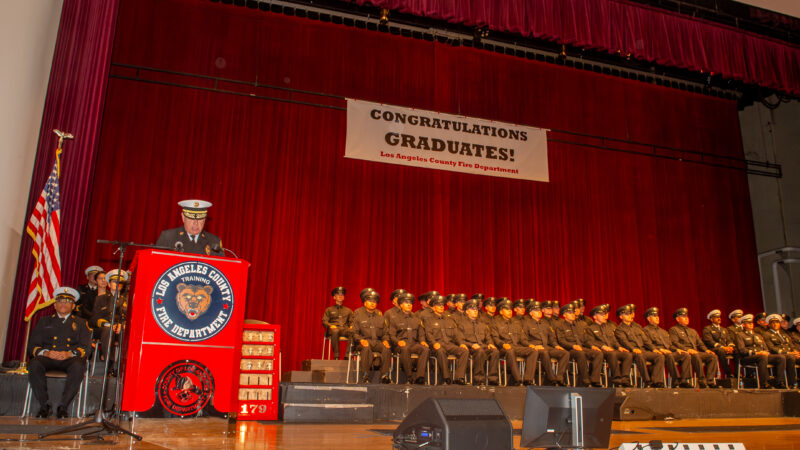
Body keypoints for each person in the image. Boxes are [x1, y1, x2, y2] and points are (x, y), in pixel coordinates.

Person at [27, 287, 91, 418]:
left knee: (79, 366)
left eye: (67, 302)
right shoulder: (44, 321)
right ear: (55, 305)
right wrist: (46, 353)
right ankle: (44, 405)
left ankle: (63, 406)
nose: (63, 304)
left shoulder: (81, 323)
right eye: (60, 301)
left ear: (73, 306)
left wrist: (69, 354)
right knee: (34, 364)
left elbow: (86, 348)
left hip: (69, 359)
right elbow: (32, 346)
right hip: (48, 357)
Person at [615, 305, 666, 388]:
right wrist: (633, 349)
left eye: (630, 313)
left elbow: (645, 341)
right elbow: (624, 342)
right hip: (632, 351)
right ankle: (647, 381)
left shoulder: (637, 327)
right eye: (627, 314)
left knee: (659, 356)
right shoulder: (619, 329)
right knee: (640, 356)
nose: (630, 315)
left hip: (643, 350)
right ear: (621, 317)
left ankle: (657, 381)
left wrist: (653, 349)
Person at [422, 295, 469, 384]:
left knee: (464, 351)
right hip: (437, 345)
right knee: (441, 351)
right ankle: (446, 377)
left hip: (449, 344)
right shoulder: (429, 320)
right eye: (438, 305)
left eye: (442, 305)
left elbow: (456, 334)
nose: (441, 307)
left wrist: (461, 343)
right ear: (433, 307)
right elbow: (428, 334)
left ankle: (459, 378)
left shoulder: (449, 319)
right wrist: (434, 343)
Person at [641, 307, 692, 388]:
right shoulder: (645, 330)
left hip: (668, 352)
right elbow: (647, 344)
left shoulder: (663, 331)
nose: (657, 317)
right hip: (657, 352)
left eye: (657, 315)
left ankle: (684, 380)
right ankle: (675, 380)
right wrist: (660, 349)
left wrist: (676, 349)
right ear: (648, 318)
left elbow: (669, 345)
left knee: (685, 355)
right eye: (654, 316)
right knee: (669, 356)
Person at [491, 298, 537, 385]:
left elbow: (522, 338)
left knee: (533, 351)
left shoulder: (516, 323)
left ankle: (528, 379)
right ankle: (518, 379)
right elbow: (495, 338)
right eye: (507, 309)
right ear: (501, 312)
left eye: (510, 309)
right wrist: (503, 344)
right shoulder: (495, 322)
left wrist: (529, 345)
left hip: (516, 346)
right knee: (510, 351)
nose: (510, 311)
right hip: (503, 348)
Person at [91, 269, 129, 373]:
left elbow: (131, 317)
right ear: (109, 284)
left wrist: (123, 325)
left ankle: (122, 364)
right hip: (104, 329)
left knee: (125, 332)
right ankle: (109, 362)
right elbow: (94, 319)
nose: (117, 284)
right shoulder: (101, 299)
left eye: (120, 282)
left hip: (120, 329)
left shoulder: (127, 300)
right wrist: (108, 325)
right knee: (108, 331)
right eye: (114, 282)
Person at [555, 303, 603, 387]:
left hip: (581, 347)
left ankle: (594, 379)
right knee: (581, 354)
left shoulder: (580, 325)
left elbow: (585, 340)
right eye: (570, 313)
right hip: (570, 349)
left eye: (573, 313)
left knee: (598, 353)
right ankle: (585, 379)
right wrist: (573, 346)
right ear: (564, 315)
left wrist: (591, 346)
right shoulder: (560, 326)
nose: (572, 314)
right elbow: (561, 341)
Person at [669, 308, 719, 388]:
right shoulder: (674, 330)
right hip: (685, 352)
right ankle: (701, 380)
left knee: (713, 357)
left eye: (687, 316)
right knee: (696, 356)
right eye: (683, 317)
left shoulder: (692, 331)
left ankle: (710, 381)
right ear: (677, 319)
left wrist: (707, 350)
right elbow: (675, 342)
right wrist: (687, 349)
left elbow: (700, 343)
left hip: (695, 352)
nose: (686, 318)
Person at [523, 300, 569, 386]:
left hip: (546, 347)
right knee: (544, 352)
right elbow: (523, 339)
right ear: (531, 313)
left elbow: (552, 339)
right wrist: (532, 346)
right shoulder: (526, 323)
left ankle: (559, 378)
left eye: (539, 310)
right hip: (536, 348)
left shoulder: (545, 323)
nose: (539, 312)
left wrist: (556, 345)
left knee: (565, 353)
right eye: (536, 310)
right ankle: (551, 378)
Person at [586, 304, 633, 387]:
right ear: (595, 316)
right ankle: (617, 377)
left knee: (628, 355)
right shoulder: (590, 328)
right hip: (602, 350)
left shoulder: (608, 327)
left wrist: (619, 347)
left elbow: (614, 340)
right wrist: (603, 346)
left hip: (612, 349)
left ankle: (625, 379)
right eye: (601, 314)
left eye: (604, 314)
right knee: (612, 354)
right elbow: (590, 341)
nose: (604, 316)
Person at [156, 199, 224, 256]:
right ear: (183, 217)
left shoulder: (214, 241)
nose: (195, 223)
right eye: (191, 218)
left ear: (204, 219)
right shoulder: (168, 237)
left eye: (199, 219)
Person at [388, 293, 429, 384]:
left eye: (410, 303)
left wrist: (422, 341)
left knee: (425, 349)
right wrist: (398, 342)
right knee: (405, 349)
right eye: (406, 303)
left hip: (413, 344)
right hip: (401, 345)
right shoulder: (395, 318)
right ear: (401, 305)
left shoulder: (416, 318)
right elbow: (392, 335)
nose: (409, 305)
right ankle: (409, 376)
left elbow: (421, 334)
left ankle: (420, 377)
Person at [735, 314, 786, 389]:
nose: (751, 324)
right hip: (747, 357)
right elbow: (742, 350)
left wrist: (766, 352)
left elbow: (765, 348)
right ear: (743, 325)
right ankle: (764, 383)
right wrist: (757, 353)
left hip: (761, 356)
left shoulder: (758, 335)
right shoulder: (740, 335)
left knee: (781, 358)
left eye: (751, 323)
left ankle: (779, 382)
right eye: (748, 323)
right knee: (762, 357)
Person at [352, 289, 391, 383]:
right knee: (366, 349)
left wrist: (385, 340)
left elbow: (385, 333)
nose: (372, 303)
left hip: (377, 342)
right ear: (365, 303)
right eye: (370, 301)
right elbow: (354, 333)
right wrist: (361, 340)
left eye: (374, 301)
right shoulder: (358, 317)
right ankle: (365, 375)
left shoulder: (381, 318)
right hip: (363, 342)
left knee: (387, 349)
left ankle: (385, 375)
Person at [458, 299, 500, 385]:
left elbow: (488, 338)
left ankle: (493, 379)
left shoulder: (482, 324)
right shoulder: (461, 324)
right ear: (467, 311)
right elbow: (460, 340)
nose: (475, 311)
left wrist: (491, 344)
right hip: (470, 347)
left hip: (482, 346)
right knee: (480, 351)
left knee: (495, 351)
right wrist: (471, 345)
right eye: (472, 309)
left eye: (476, 309)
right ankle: (479, 379)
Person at [762, 314, 798, 388]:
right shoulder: (766, 334)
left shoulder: (784, 333)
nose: (775, 324)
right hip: (777, 355)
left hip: (790, 354)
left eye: (777, 322)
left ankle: (793, 382)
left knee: (794, 357)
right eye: (773, 323)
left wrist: (796, 352)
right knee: (790, 358)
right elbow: (772, 348)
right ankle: (790, 382)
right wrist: (788, 352)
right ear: (769, 325)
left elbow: (791, 345)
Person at [702, 309, 735, 379]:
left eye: (719, 317)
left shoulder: (724, 329)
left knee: (738, 351)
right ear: (711, 319)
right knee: (721, 351)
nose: (719, 318)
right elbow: (709, 341)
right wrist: (723, 347)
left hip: (725, 349)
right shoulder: (707, 329)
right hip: (713, 349)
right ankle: (728, 373)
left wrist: (730, 347)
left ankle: (739, 374)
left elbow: (729, 340)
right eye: (716, 317)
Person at [322, 287, 352, 359]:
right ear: (334, 297)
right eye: (338, 294)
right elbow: (324, 321)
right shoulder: (329, 309)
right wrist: (330, 325)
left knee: (353, 332)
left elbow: (352, 322)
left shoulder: (348, 310)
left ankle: (347, 356)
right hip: (333, 329)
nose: (340, 296)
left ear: (344, 297)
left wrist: (351, 326)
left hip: (344, 329)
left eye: (342, 294)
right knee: (335, 331)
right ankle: (336, 356)